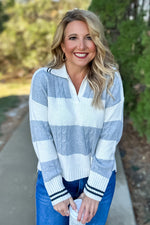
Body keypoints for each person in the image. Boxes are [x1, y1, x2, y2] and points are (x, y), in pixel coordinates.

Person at [29, 8, 124, 225]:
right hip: (54, 179)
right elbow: (41, 137)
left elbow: (110, 137)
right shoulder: (43, 80)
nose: (81, 46)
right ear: (62, 44)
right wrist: (55, 188)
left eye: (89, 38)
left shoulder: (110, 79)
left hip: (99, 180)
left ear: (97, 43)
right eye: (73, 38)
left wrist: (94, 190)